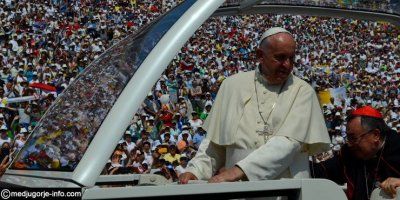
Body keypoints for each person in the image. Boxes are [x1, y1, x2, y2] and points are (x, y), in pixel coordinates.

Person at [179, 27, 330, 184]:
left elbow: (289, 143)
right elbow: (216, 142)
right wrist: (195, 170)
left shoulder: (303, 91)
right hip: (238, 189)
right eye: (280, 58)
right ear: (260, 56)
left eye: (291, 58)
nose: (287, 65)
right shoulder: (232, 85)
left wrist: (240, 171)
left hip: (286, 187)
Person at [312, 106, 400, 199]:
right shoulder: (349, 153)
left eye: (353, 138)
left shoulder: (397, 146)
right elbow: (322, 170)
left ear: (375, 135)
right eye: (348, 138)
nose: (349, 144)